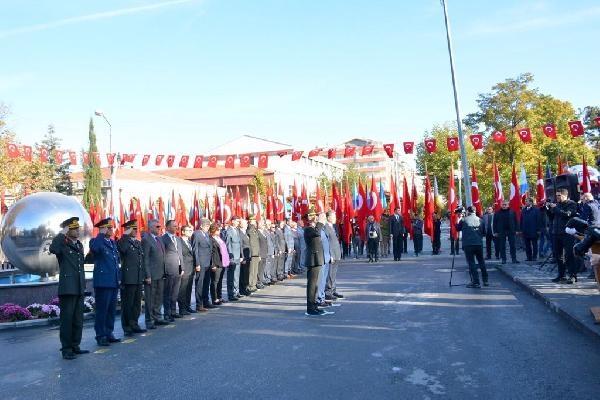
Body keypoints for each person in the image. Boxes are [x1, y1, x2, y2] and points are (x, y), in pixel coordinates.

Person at [49, 217, 89, 360]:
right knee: (67, 319)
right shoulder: (62, 245)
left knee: (78, 319)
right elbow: (52, 248)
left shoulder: (79, 245)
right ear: (68, 230)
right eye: (74, 229)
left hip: (78, 287)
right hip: (67, 287)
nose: (78, 231)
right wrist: (62, 233)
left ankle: (75, 345)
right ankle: (66, 349)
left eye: (78, 229)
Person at [90, 218, 121, 346]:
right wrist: (100, 234)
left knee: (111, 310)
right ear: (102, 228)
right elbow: (95, 249)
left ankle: (109, 333)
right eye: (108, 228)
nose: (111, 230)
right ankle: (100, 335)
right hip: (103, 282)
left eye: (112, 227)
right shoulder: (96, 241)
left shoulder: (112, 243)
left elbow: (115, 261)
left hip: (113, 281)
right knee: (102, 310)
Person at [117, 220, 146, 337]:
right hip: (128, 278)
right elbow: (122, 250)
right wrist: (125, 234)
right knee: (127, 304)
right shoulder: (123, 241)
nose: (135, 231)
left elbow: (141, 260)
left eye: (136, 229)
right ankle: (127, 326)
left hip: (138, 277)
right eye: (132, 229)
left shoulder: (138, 243)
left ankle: (134, 324)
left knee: (136, 304)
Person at [303, 210, 333, 316]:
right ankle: (310, 308)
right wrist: (320, 222)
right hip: (312, 260)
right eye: (314, 216)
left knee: (316, 285)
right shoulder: (308, 229)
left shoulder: (315, 228)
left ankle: (314, 305)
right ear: (309, 218)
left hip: (317, 259)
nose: (316, 218)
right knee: (312, 285)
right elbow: (316, 232)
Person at [547, 189, 578, 283]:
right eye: (556, 196)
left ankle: (573, 275)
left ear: (565, 195)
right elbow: (552, 218)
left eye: (559, 196)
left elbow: (567, 215)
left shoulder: (571, 204)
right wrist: (548, 210)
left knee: (569, 255)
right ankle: (561, 275)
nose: (557, 197)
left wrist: (555, 208)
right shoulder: (557, 205)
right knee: (558, 255)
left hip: (567, 233)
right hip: (556, 233)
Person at [142, 219, 168, 327]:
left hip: (161, 273)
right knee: (150, 298)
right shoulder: (146, 239)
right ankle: (149, 320)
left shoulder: (159, 239)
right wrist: (147, 275)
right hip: (151, 275)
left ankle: (157, 316)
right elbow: (146, 259)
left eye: (160, 227)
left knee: (158, 297)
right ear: (151, 227)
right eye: (157, 227)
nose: (160, 228)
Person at [457, 206, 488, 288]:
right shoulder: (481, 220)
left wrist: (459, 219)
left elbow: (457, 228)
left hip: (468, 244)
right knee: (481, 262)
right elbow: (484, 233)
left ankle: (476, 282)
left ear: (468, 211)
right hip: (478, 244)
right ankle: (485, 280)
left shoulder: (464, 220)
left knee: (471, 263)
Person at [162, 220, 183, 322]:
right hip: (169, 269)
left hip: (178, 269)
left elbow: (180, 254)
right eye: (174, 226)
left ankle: (173, 311)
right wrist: (164, 269)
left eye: (176, 226)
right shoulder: (163, 239)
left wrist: (182, 267)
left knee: (175, 292)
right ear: (167, 227)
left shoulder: (178, 239)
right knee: (168, 293)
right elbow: (162, 256)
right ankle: (167, 313)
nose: (176, 228)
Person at [191, 218, 214, 309]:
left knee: (206, 283)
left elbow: (209, 249)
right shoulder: (196, 234)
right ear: (201, 226)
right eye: (206, 226)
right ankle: (199, 304)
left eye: (208, 226)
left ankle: (206, 301)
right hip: (200, 263)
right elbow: (195, 249)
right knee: (200, 284)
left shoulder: (207, 235)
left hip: (207, 263)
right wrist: (197, 264)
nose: (208, 227)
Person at [178, 224, 197, 314]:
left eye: (191, 230)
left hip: (191, 268)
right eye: (188, 231)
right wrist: (181, 268)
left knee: (189, 288)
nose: (190, 232)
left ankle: (187, 306)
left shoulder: (190, 241)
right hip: (184, 268)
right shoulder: (179, 241)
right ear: (183, 232)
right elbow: (180, 255)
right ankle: (182, 309)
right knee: (183, 289)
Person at [324, 210, 343, 301]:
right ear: (328, 218)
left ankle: (333, 290)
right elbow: (327, 242)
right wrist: (330, 254)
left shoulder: (333, 226)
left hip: (336, 253)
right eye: (333, 216)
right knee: (330, 274)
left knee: (334, 274)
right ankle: (328, 292)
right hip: (332, 254)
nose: (335, 218)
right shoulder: (326, 227)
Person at [209, 224, 228, 305]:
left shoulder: (219, 238)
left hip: (222, 262)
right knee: (215, 282)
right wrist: (212, 264)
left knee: (220, 281)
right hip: (216, 263)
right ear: (213, 230)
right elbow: (210, 253)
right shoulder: (211, 239)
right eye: (217, 230)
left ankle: (219, 297)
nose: (219, 231)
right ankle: (214, 298)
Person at [225, 217, 243, 300]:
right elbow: (228, 245)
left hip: (237, 257)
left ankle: (236, 291)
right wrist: (230, 257)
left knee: (237, 276)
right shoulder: (229, 231)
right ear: (232, 221)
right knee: (231, 277)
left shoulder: (237, 230)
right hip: (232, 257)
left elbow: (240, 244)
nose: (238, 223)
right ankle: (231, 294)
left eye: (239, 221)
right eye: (237, 221)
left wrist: (241, 255)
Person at [246, 215, 261, 292]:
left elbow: (257, 242)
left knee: (255, 270)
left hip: (256, 253)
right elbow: (249, 233)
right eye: (253, 221)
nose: (255, 222)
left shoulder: (255, 229)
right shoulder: (249, 228)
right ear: (250, 221)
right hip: (252, 253)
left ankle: (254, 285)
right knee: (251, 271)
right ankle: (251, 285)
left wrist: (259, 253)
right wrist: (251, 225)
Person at [238, 218, 251, 295]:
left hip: (247, 255)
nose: (247, 225)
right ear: (241, 224)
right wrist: (242, 257)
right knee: (242, 274)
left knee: (246, 273)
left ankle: (245, 287)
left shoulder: (245, 232)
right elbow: (241, 246)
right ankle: (242, 289)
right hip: (244, 256)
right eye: (245, 223)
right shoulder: (240, 233)